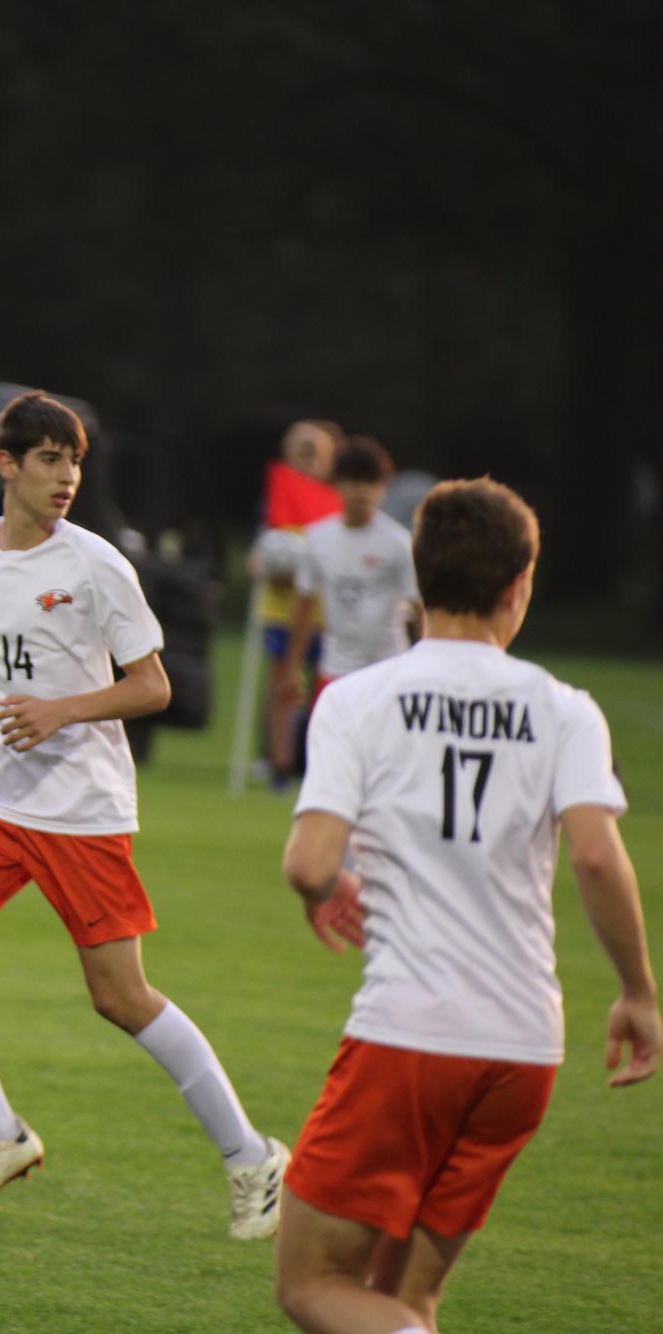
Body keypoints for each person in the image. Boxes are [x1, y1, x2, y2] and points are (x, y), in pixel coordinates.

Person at [0, 391, 288, 1238]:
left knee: (120, 996)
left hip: (81, 810)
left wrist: (60, 710)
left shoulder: (97, 564)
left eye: (73, 461)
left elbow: (153, 685)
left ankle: (252, 1154)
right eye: (47, 460)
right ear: (7, 465)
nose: (66, 476)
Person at [275, 477, 658, 1333]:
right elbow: (596, 853)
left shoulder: (357, 700)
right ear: (519, 586)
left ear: (415, 581)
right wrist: (636, 992)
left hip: (410, 1036)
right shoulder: (565, 710)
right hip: (524, 1048)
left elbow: (307, 863)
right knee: (400, 1297)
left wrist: (328, 884)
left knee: (311, 1285)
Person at [277, 436, 422, 715]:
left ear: (383, 489)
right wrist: (292, 667)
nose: (363, 492)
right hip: (336, 671)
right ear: (337, 485)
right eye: (355, 482)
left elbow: (420, 609)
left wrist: (424, 666)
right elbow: (305, 606)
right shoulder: (317, 539)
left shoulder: (398, 543)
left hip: (390, 669)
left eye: (372, 483)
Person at [253, 420, 344, 785]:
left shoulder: (336, 503)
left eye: (316, 456)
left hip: (326, 613)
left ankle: (315, 761)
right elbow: (259, 557)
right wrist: (269, 566)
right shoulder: (276, 500)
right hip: (282, 610)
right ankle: (279, 762)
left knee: (324, 688)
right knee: (283, 684)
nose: (309, 464)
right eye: (302, 455)